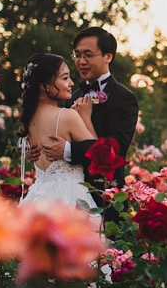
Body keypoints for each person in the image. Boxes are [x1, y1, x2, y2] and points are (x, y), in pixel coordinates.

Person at [28, 27, 139, 216]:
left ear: (108, 56)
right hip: (67, 196)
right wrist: (37, 150)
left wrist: (67, 150)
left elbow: (115, 151)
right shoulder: (72, 96)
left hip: (105, 195)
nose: (81, 62)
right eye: (77, 55)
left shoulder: (124, 98)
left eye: (88, 55)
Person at [17, 53, 98, 211]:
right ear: (45, 85)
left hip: (37, 197)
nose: (71, 83)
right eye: (65, 78)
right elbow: (98, 154)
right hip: (69, 197)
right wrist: (85, 117)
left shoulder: (29, 120)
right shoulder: (67, 116)